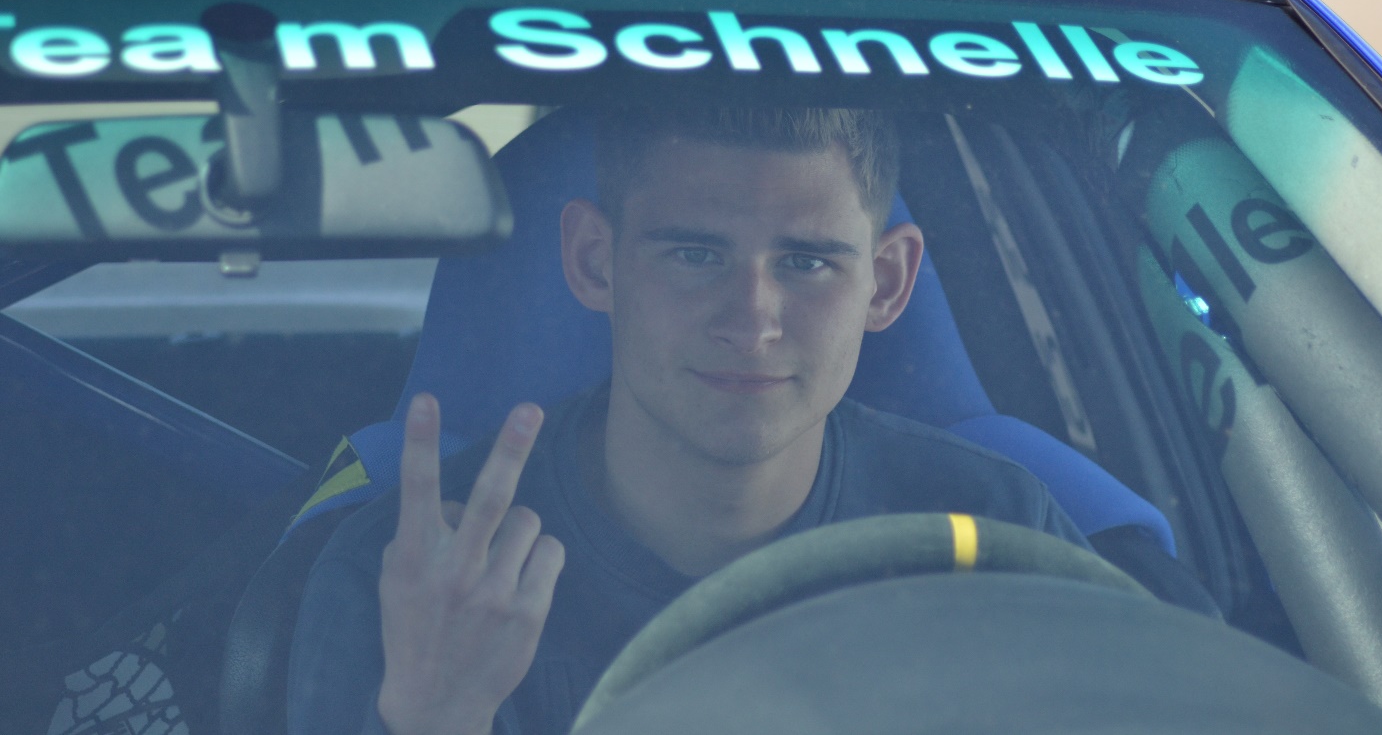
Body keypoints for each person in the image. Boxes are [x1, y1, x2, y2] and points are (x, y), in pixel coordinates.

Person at [288, 107, 1096, 735]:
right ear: (594, 261)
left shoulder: (999, 548)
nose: (750, 321)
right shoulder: (415, 581)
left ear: (885, 282)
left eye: (805, 261)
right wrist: (434, 719)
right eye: (695, 254)